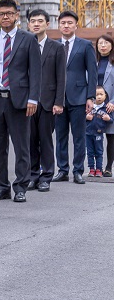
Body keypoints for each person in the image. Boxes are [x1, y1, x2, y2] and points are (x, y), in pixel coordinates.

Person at [0, 0, 40, 203]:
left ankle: (21, 186)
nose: (5, 17)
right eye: (1, 14)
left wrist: (33, 98)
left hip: (20, 101)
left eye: (9, 13)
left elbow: (35, 71)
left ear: (17, 15)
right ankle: (1, 187)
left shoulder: (28, 39)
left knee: (22, 146)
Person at [53, 10, 96, 184]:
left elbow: (92, 73)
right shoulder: (54, 45)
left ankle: (78, 170)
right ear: (59, 25)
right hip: (58, 99)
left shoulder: (85, 45)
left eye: (70, 23)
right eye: (63, 23)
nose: (66, 26)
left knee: (79, 137)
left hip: (79, 98)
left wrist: (90, 97)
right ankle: (62, 170)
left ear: (76, 25)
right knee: (60, 136)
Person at [26, 9, 66, 192]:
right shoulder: (24, 45)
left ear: (47, 24)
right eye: (33, 21)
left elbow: (61, 77)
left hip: (49, 102)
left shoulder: (56, 47)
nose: (36, 24)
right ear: (28, 24)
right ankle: (33, 174)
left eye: (40, 21)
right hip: (28, 102)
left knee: (45, 139)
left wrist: (59, 102)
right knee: (30, 140)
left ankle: (46, 176)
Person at [95, 35, 114, 177]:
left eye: (106, 43)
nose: (103, 45)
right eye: (100, 43)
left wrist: (112, 102)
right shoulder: (93, 62)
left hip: (110, 103)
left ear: (111, 45)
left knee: (111, 136)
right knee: (94, 136)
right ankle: (95, 167)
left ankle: (108, 167)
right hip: (96, 104)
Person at [86, 87, 111, 176]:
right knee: (90, 152)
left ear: (105, 96)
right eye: (97, 95)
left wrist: (109, 119)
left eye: (101, 94)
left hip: (99, 133)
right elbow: (81, 117)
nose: (99, 97)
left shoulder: (105, 107)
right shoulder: (90, 107)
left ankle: (99, 169)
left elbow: (111, 119)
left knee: (99, 152)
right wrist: (86, 117)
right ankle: (91, 169)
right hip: (88, 133)